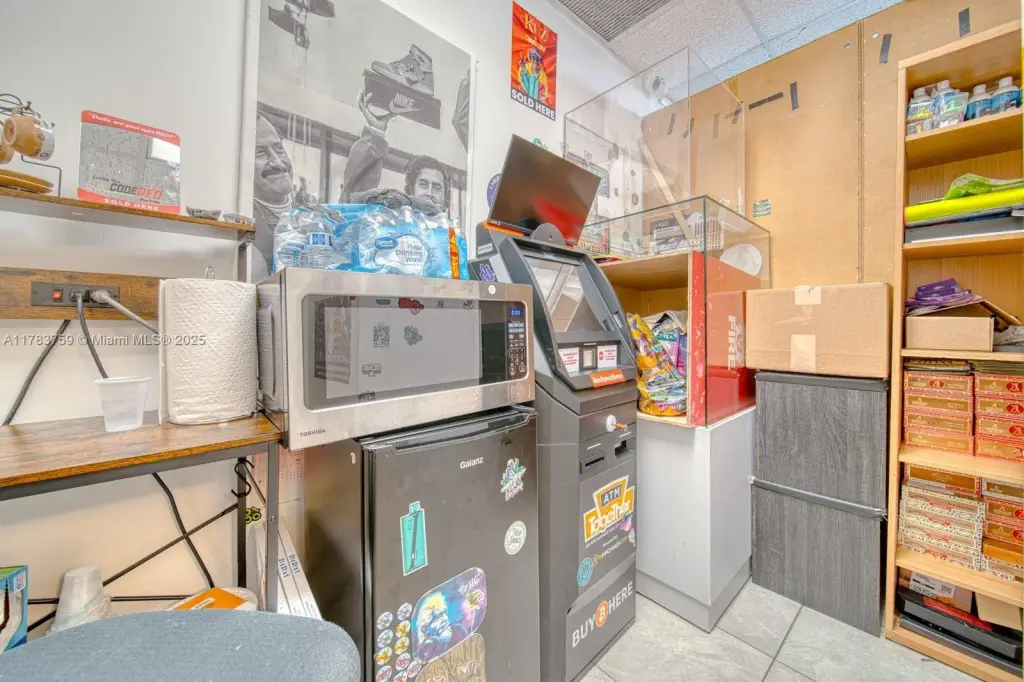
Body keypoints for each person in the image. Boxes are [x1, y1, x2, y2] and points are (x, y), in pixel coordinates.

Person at [341, 91, 451, 213]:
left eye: (437, 188)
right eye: (423, 184)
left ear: (446, 201)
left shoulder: (456, 226)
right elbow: (353, 206)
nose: (429, 193)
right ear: (410, 191)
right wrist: (376, 133)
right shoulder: (393, 221)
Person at [252, 112, 294, 271]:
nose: (277, 162)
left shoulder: (311, 217)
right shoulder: (239, 222)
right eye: (260, 152)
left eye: (279, 149)